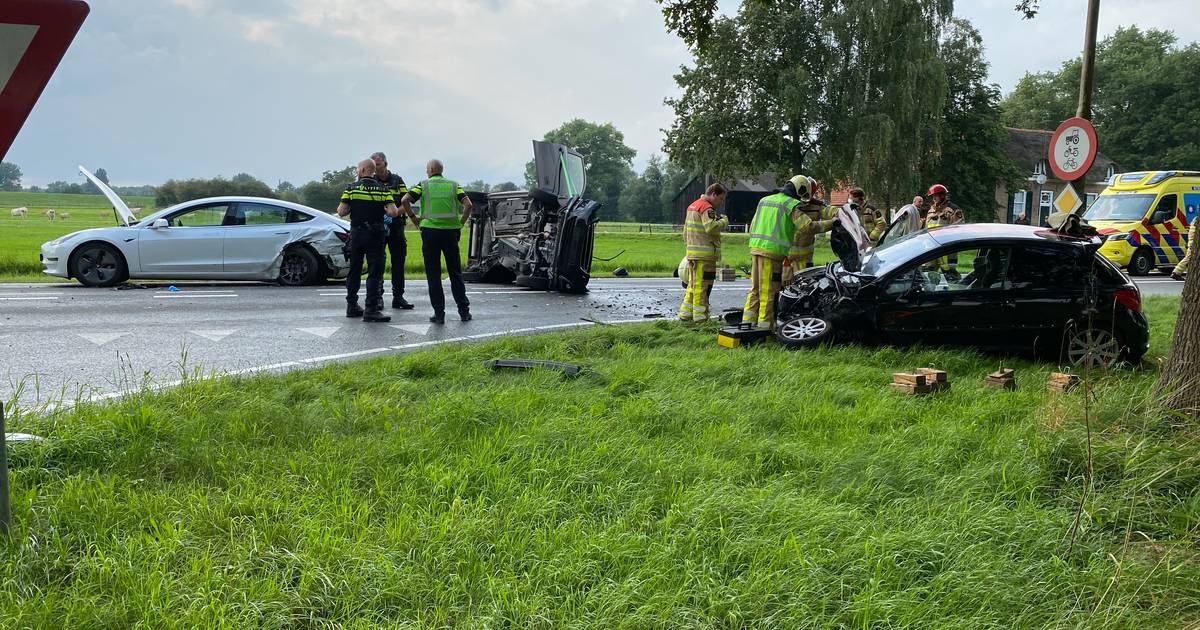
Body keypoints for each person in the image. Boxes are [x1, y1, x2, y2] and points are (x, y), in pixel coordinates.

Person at [743, 175, 831, 330]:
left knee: (755, 289)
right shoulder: (790, 204)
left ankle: (746, 324)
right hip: (772, 254)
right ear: (800, 189)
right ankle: (765, 329)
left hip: (756, 249)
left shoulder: (765, 200)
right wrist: (832, 223)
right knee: (769, 292)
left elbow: (752, 226)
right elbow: (808, 227)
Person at [401, 159, 474, 324]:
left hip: (430, 233)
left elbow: (405, 200)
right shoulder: (454, 185)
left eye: (427, 169)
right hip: (450, 233)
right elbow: (468, 205)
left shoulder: (423, 185)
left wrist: (413, 218)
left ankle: (439, 314)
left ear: (431, 169)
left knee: (433, 274)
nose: (426, 171)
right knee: (455, 273)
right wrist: (460, 223)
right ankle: (464, 311)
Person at [336, 159, 402, 322]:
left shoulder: (351, 188)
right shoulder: (383, 189)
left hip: (357, 233)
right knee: (374, 271)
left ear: (363, 169)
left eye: (358, 169)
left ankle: (352, 306)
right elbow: (393, 212)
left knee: (354, 270)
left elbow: (342, 212)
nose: (357, 171)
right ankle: (371, 309)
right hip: (375, 234)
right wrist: (383, 210)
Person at [369, 151, 414, 310]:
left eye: (378, 164)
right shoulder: (370, 181)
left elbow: (406, 202)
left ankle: (398, 297)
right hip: (377, 227)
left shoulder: (397, 180)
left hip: (396, 226)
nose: (375, 168)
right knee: (378, 263)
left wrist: (394, 213)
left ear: (386, 164)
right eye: (373, 165)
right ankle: (378, 297)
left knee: (398, 262)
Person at [679, 183, 729, 322]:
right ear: (713, 194)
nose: (721, 203)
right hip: (705, 256)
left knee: (693, 285)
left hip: (693, 254)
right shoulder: (707, 208)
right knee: (703, 287)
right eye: (720, 199)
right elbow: (711, 227)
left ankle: (685, 314)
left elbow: (685, 232)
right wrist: (724, 221)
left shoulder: (693, 206)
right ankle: (701, 319)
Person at [782, 177, 835, 285]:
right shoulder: (788, 205)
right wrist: (832, 223)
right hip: (786, 255)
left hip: (804, 257)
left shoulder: (817, 206)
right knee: (783, 283)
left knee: (804, 285)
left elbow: (829, 211)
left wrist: (841, 213)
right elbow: (809, 227)